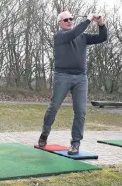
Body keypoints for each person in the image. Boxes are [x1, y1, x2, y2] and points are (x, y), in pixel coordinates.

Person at [38, 11, 108, 155]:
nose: (69, 21)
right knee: (54, 107)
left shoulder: (82, 37)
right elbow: (73, 34)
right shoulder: (60, 36)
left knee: (80, 112)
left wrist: (101, 23)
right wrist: (88, 20)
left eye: (71, 19)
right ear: (60, 23)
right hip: (62, 76)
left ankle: (75, 144)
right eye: (66, 20)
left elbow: (102, 37)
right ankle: (44, 134)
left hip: (81, 78)